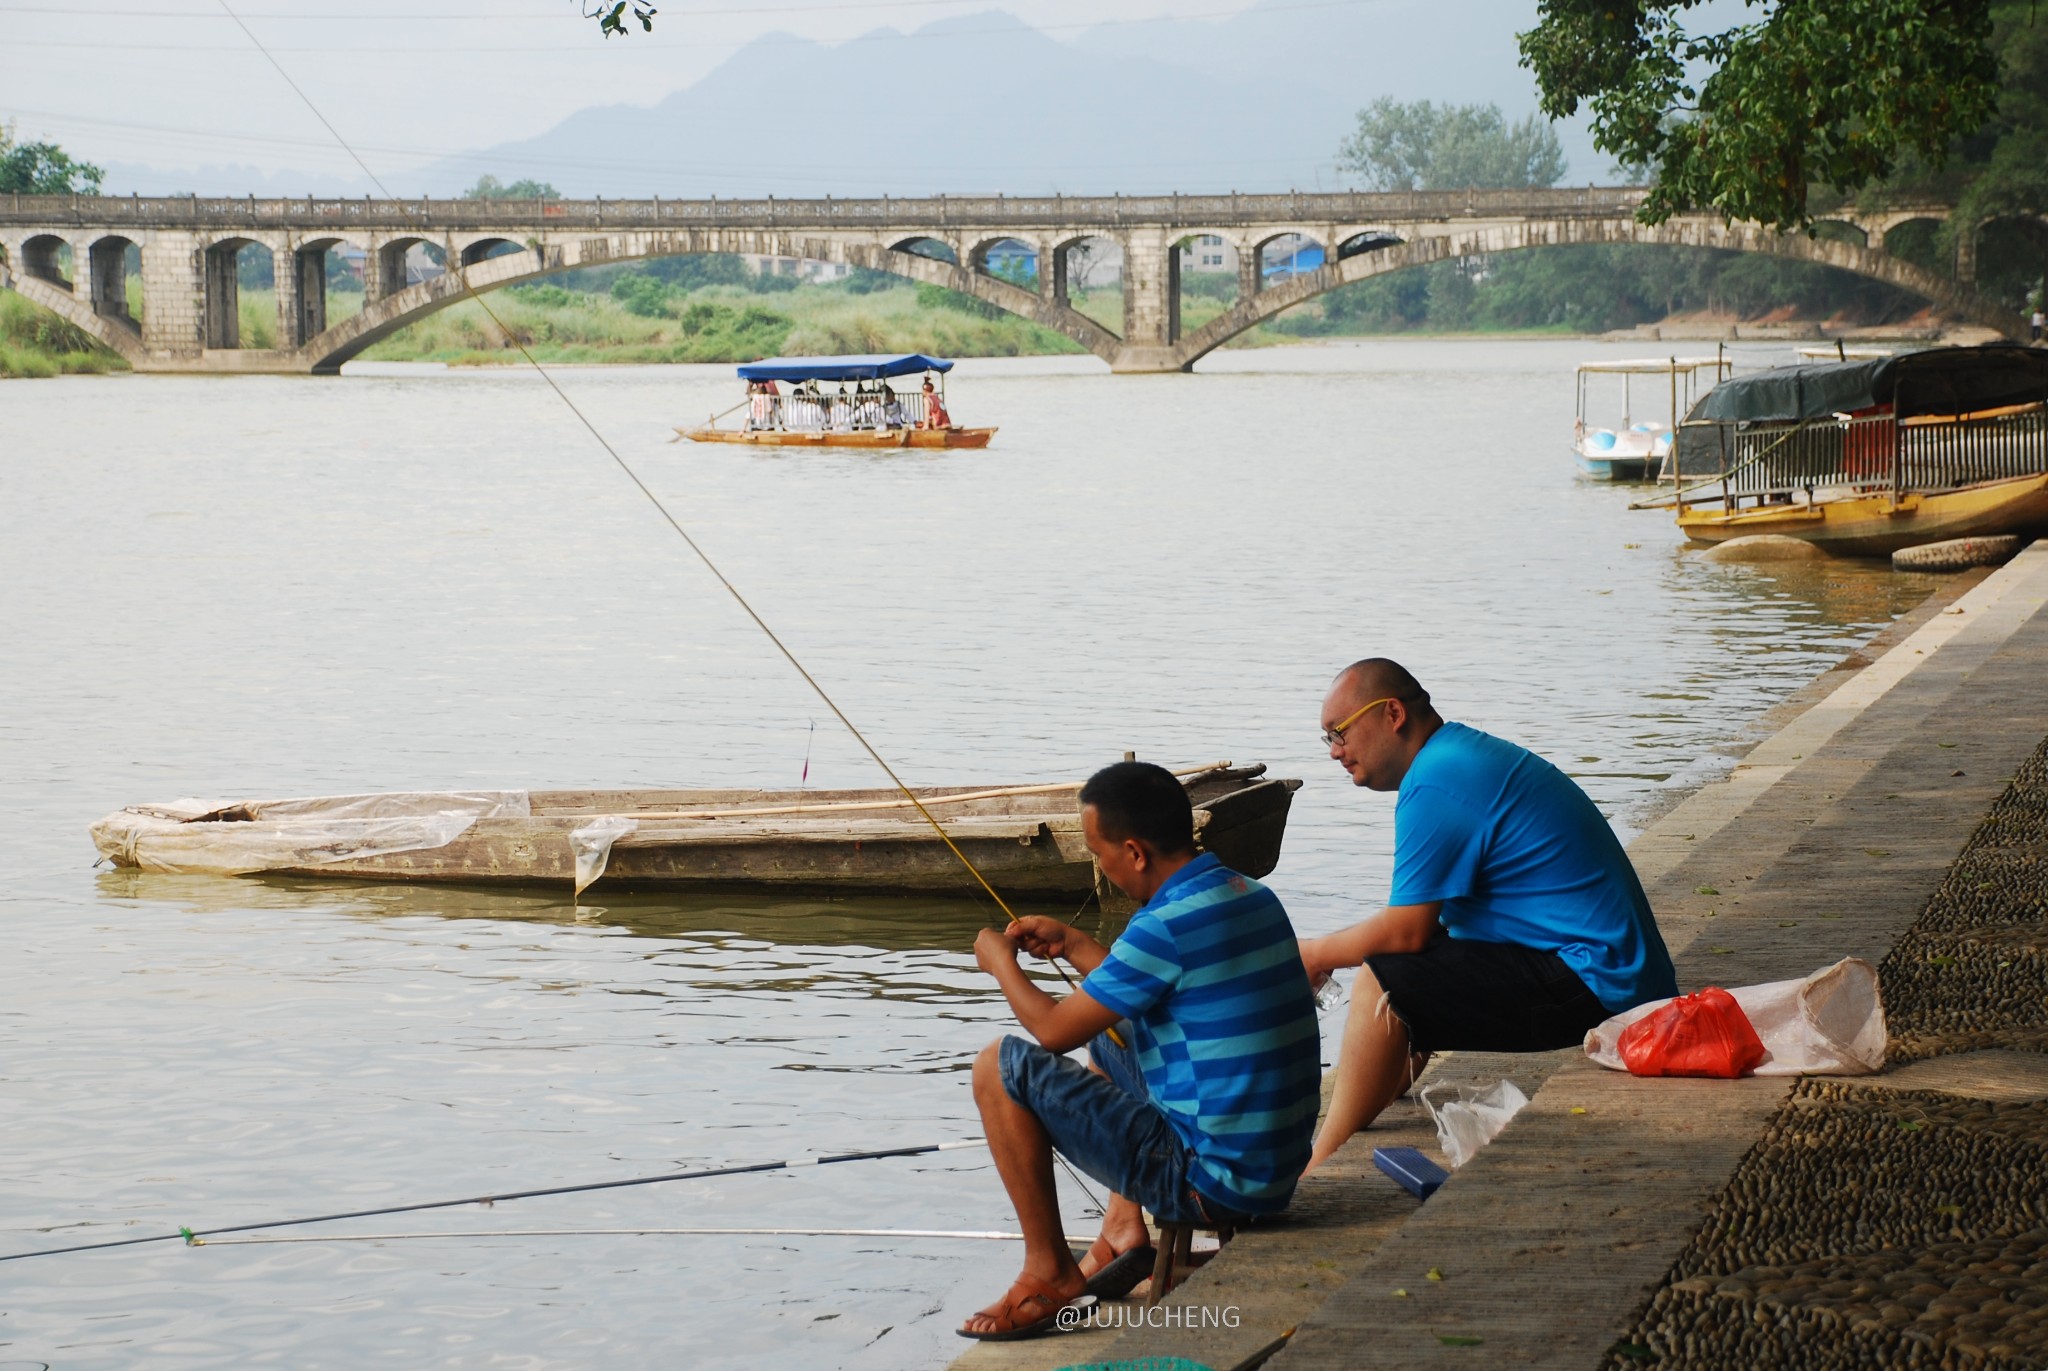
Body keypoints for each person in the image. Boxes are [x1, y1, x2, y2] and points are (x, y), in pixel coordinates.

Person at [959, 761, 1321, 1339]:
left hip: (1210, 1182)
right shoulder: (1248, 895)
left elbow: (1053, 1033)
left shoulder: (1163, 927)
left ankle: (1048, 1272)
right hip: (1273, 1171)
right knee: (1112, 1036)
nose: (1099, 865)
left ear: (1133, 852)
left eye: (1099, 854)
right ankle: (1123, 1230)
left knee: (997, 1068)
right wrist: (1074, 943)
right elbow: (1130, 1002)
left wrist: (1001, 965)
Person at [1299, 658, 1677, 1173]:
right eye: (1327, 739)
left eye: (1339, 732)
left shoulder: (1435, 780)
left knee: (1378, 981)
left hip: (1599, 984)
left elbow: (1405, 933)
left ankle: (1318, 1161)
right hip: (1616, 975)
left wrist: (1311, 954)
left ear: (1392, 713)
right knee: (1404, 964)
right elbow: (1426, 934)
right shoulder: (1454, 757)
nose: (1336, 752)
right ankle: (1369, 1098)